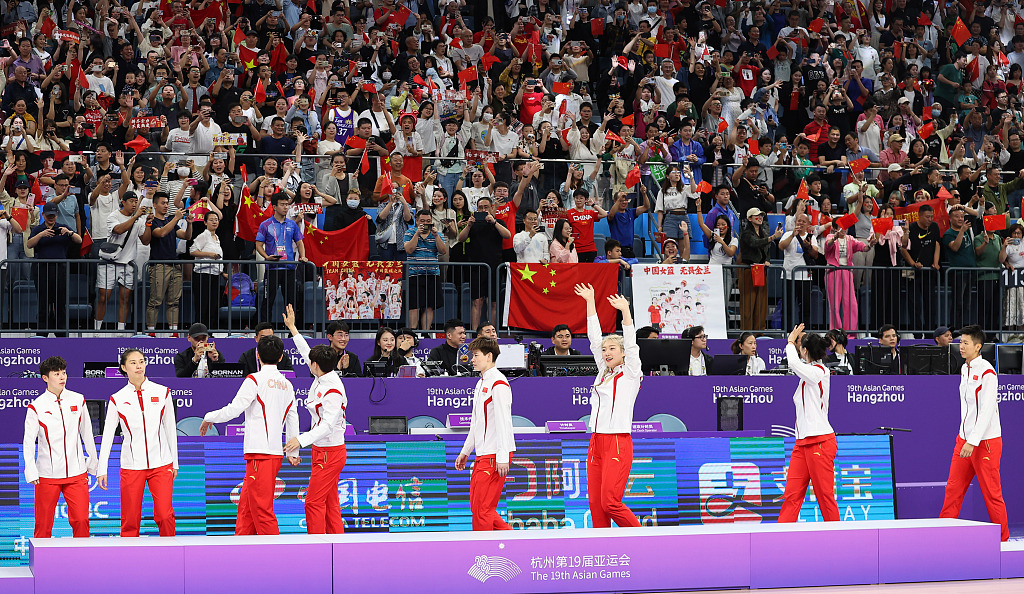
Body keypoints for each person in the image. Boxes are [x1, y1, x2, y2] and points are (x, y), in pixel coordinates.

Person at [200, 335, 299, 535]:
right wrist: (293, 451)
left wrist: (209, 416)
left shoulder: (254, 379)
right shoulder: (287, 384)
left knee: (262, 510)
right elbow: (292, 417)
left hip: (259, 454)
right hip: (272, 453)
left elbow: (234, 410)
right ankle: (241, 546)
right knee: (246, 508)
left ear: (257, 355)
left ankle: (274, 557)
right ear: (281, 358)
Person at [575, 283, 642, 528]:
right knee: (596, 506)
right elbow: (594, 338)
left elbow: (632, 345)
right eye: (605, 350)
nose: (606, 352)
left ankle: (643, 541)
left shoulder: (631, 372)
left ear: (623, 353)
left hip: (617, 441)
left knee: (610, 502)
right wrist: (590, 301)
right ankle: (603, 552)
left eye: (612, 348)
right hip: (596, 442)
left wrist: (625, 312)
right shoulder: (603, 371)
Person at [97, 349, 178, 537]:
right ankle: (128, 561)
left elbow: (170, 430)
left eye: (141, 361)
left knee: (165, 515)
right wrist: (102, 469)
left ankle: (171, 555)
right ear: (124, 368)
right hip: (132, 466)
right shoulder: (117, 398)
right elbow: (107, 435)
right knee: (130, 519)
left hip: (161, 463)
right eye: (133, 363)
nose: (139, 366)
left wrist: (175, 462)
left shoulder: (162, 392)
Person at [939, 324, 1009, 542]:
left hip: (985, 442)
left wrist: (973, 440)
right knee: (953, 490)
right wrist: (964, 437)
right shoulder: (964, 369)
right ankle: (942, 537)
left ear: (978, 346)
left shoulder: (987, 372)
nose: (961, 346)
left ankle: (1003, 540)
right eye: (960, 342)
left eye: (965, 343)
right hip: (964, 440)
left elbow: (987, 410)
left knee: (991, 494)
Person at [23, 356, 97, 538]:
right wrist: (30, 469)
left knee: (81, 520)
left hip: (77, 472)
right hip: (47, 475)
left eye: (63, 373)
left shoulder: (78, 400)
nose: (62, 377)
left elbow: (87, 433)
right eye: (56, 374)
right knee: (43, 523)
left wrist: (93, 460)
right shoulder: (36, 407)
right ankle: (41, 564)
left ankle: (82, 560)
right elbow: (28, 441)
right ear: (45, 378)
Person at [282, 340, 348, 533]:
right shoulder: (322, 373)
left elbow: (327, 426)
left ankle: (316, 544)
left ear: (315, 365)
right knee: (330, 502)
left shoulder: (333, 391)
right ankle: (338, 542)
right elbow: (306, 352)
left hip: (331, 452)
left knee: (313, 502)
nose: (308, 362)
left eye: (310, 362)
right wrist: (293, 330)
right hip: (321, 450)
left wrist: (300, 440)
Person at [779, 324, 839, 523]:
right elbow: (798, 367)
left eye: (799, 346)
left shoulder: (820, 372)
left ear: (805, 350)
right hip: (802, 443)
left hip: (820, 441)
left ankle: (837, 538)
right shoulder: (808, 375)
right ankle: (779, 538)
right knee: (791, 495)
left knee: (824, 496)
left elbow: (795, 366)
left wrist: (789, 342)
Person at [455, 336, 515, 531]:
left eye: (475, 355)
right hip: (483, 454)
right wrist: (465, 452)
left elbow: (504, 422)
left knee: (483, 510)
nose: (471, 359)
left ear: (489, 356)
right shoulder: (480, 384)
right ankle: (513, 542)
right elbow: (476, 423)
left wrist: (503, 455)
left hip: (495, 454)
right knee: (478, 507)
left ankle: (483, 553)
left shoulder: (499, 384)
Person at [27, 202, 81, 337]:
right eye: (48, 215)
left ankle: (61, 334)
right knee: (43, 304)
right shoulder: (38, 229)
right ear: (43, 215)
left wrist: (69, 232)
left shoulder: (63, 228)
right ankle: (42, 334)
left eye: (53, 215)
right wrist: (41, 235)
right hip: (42, 270)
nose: (51, 218)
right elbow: (29, 244)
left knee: (60, 303)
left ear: (57, 215)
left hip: (60, 270)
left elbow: (79, 240)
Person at [256, 193, 308, 329]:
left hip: (289, 269)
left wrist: (303, 256)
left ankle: (293, 332)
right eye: (282, 204)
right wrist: (266, 257)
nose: (286, 207)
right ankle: (265, 331)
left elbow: (300, 242)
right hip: (272, 268)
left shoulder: (292, 224)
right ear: (274, 206)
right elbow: (258, 245)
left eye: (287, 204)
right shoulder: (265, 224)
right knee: (268, 301)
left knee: (291, 303)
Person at [405, 209, 447, 330]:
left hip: (432, 273)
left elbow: (443, 251)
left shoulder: (436, 234)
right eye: (422, 221)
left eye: (428, 221)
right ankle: (412, 331)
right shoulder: (410, 232)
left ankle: (425, 332)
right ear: (416, 221)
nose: (425, 223)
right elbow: (409, 250)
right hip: (414, 274)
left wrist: (436, 236)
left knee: (429, 306)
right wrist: (417, 234)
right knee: (414, 306)